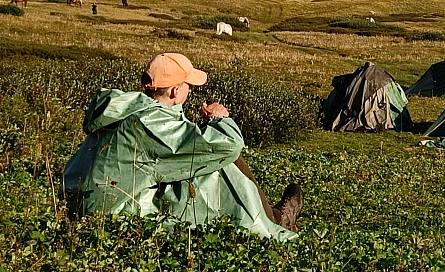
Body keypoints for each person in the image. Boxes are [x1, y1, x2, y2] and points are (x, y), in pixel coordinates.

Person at [64, 52, 303, 240]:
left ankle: (272, 215)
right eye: (189, 85)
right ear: (175, 91)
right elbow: (228, 145)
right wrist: (220, 119)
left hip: (81, 205)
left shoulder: (122, 109)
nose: (191, 90)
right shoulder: (151, 123)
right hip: (121, 216)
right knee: (217, 164)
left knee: (203, 156)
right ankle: (272, 220)